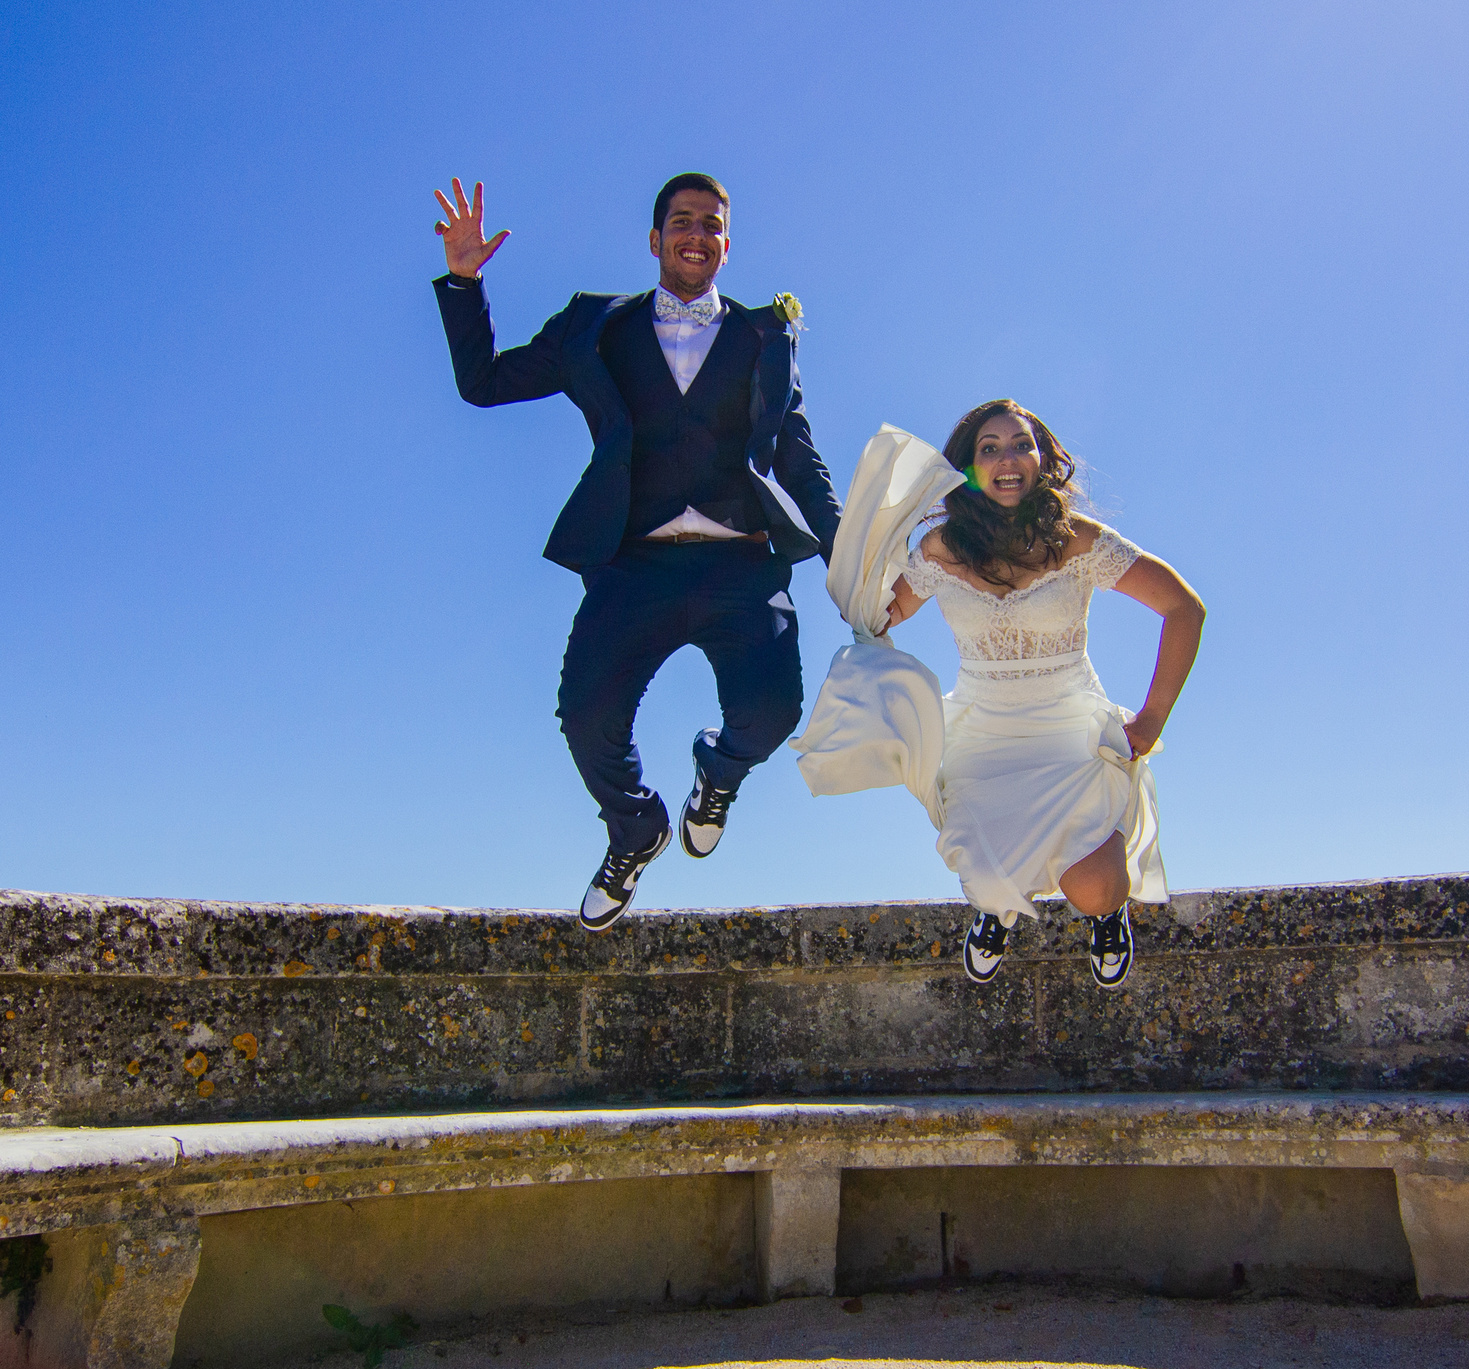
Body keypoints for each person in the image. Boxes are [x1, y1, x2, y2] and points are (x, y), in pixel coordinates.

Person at [430, 176, 842, 930]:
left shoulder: (763, 336)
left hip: (740, 567)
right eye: (681, 222)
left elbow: (798, 461)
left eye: (712, 224)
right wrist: (464, 280)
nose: (696, 234)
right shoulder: (596, 324)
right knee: (585, 718)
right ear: (654, 240)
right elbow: (484, 382)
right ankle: (634, 828)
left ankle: (716, 776)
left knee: (773, 712)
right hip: (635, 565)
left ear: (726, 242)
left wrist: (847, 558)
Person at [796, 402, 1203, 988]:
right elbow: (884, 617)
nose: (1007, 459)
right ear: (967, 467)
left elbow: (1183, 609)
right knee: (987, 879)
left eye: (1022, 445)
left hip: (1070, 732)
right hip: (985, 734)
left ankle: (1109, 917)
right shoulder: (941, 550)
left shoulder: (1079, 542)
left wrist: (1152, 720)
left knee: (1092, 888)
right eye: (989, 448)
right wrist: (862, 572)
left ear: (1041, 460)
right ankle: (995, 914)